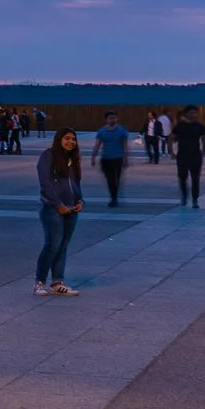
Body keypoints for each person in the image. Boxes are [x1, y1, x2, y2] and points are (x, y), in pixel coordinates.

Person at [35, 126, 84, 296]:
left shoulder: (73, 159)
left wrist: (80, 200)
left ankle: (57, 282)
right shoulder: (48, 156)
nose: (71, 142)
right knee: (52, 245)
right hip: (52, 209)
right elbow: (45, 184)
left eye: (73, 139)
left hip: (71, 209)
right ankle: (39, 282)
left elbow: (76, 185)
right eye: (67, 138)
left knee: (63, 246)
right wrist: (58, 205)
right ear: (59, 139)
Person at [176, 105, 205, 207]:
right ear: (186, 114)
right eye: (191, 112)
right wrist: (171, 152)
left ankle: (195, 199)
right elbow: (171, 138)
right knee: (182, 177)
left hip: (195, 155)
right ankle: (184, 196)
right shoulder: (180, 126)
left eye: (195, 113)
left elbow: (204, 140)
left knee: (195, 178)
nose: (193, 115)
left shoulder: (200, 126)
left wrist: (203, 152)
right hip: (182, 155)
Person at [95, 112, 131, 206]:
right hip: (106, 159)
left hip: (118, 158)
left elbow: (125, 145)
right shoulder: (102, 131)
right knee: (110, 179)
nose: (113, 120)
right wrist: (93, 157)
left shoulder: (122, 131)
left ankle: (114, 198)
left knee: (117, 179)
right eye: (110, 118)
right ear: (106, 120)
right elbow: (97, 145)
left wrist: (126, 158)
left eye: (114, 118)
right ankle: (113, 197)